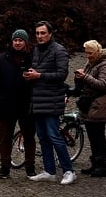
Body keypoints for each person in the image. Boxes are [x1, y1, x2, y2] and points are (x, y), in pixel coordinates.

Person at [25, 20, 77, 185]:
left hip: (52, 101)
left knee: (54, 136)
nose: (40, 36)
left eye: (43, 33)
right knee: (42, 137)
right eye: (38, 33)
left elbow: (61, 75)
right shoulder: (35, 51)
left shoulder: (59, 51)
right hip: (38, 101)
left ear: (50, 34)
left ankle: (69, 171)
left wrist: (39, 76)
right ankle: (49, 170)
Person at [0, 29, 36, 179]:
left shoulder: (32, 58)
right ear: (12, 42)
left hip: (27, 105)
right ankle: (5, 167)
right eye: (15, 40)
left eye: (21, 40)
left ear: (26, 42)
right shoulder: (2, 59)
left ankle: (30, 166)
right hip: (6, 105)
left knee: (29, 137)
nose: (18, 43)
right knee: (5, 138)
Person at [74, 39, 106, 177]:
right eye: (86, 53)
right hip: (90, 104)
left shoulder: (105, 65)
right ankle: (95, 164)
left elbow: (103, 84)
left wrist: (85, 77)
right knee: (92, 136)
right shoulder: (91, 62)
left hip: (98, 105)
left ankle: (101, 165)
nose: (88, 56)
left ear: (97, 52)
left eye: (90, 53)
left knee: (98, 136)